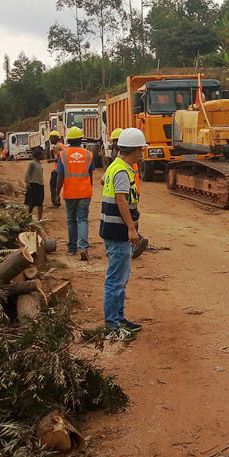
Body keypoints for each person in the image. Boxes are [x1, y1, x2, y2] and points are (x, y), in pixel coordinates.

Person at [100, 127, 148, 334]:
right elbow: (121, 199)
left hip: (113, 229)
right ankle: (113, 324)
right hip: (117, 231)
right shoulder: (121, 170)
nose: (142, 154)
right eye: (141, 150)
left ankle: (118, 318)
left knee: (120, 278)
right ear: (135, 150)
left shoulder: (116, 166)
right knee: (116, 280)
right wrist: (131, 228)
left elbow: (103, 180)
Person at [55, 126, 96, 261]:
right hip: (84, 192)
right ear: (80, 139)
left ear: (68, 140)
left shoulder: (63, 155)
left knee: (71, 220)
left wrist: (57, 193)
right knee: (82, 220)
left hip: (70, 193)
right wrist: (89, 189)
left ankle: (72, 248)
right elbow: (90, 174)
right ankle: (83, 248)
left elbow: (60, 175)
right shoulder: (88, 154)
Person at [24, 147, 45, 220]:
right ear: (38, 155)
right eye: (41, 154)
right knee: (31, 202)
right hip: (33, 184)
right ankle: (29, 216)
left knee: (40, 202)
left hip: (40, 184)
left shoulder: (40, 164)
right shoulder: (32, 163)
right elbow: (28, 173)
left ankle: (40, 218)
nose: (43, 155)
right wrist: (27, 182)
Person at [47, 130, 63, 208]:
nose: (50, 140)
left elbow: (61, 158)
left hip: (57, 170)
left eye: (51, 138)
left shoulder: (57, 147)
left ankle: (55, 202)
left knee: (53, 186)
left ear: (56, 138)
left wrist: (51, 160)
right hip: (61, 169)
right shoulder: (62, 145)